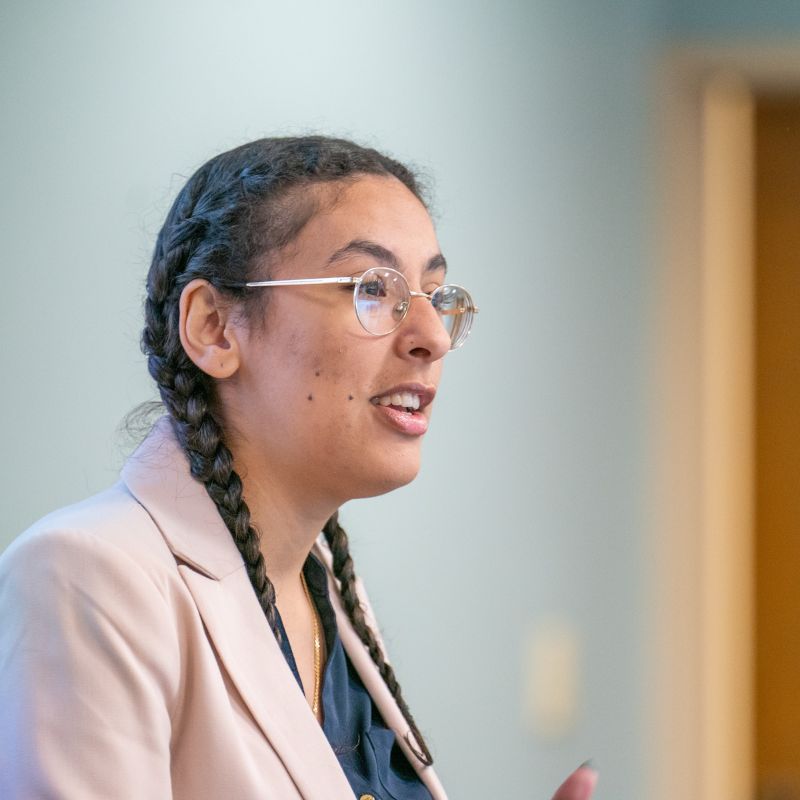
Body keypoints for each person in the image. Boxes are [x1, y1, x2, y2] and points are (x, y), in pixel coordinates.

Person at [0, 136, 597, 799]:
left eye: (434, 292)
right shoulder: (88, 577)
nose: (430, 336)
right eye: (373, 289)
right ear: (214, 328)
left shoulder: (325, 588)